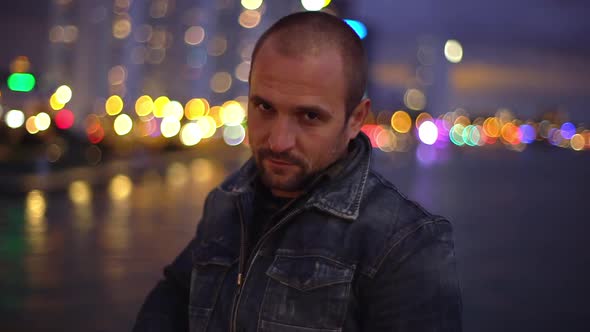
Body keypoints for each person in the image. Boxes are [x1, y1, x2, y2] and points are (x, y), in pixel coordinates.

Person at [133, 11, 462, 332]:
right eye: (264, 107)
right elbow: (173, 298)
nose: (278, 141)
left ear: (356, 120)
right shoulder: (228, 201)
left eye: (309, 117)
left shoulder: (405, 244)